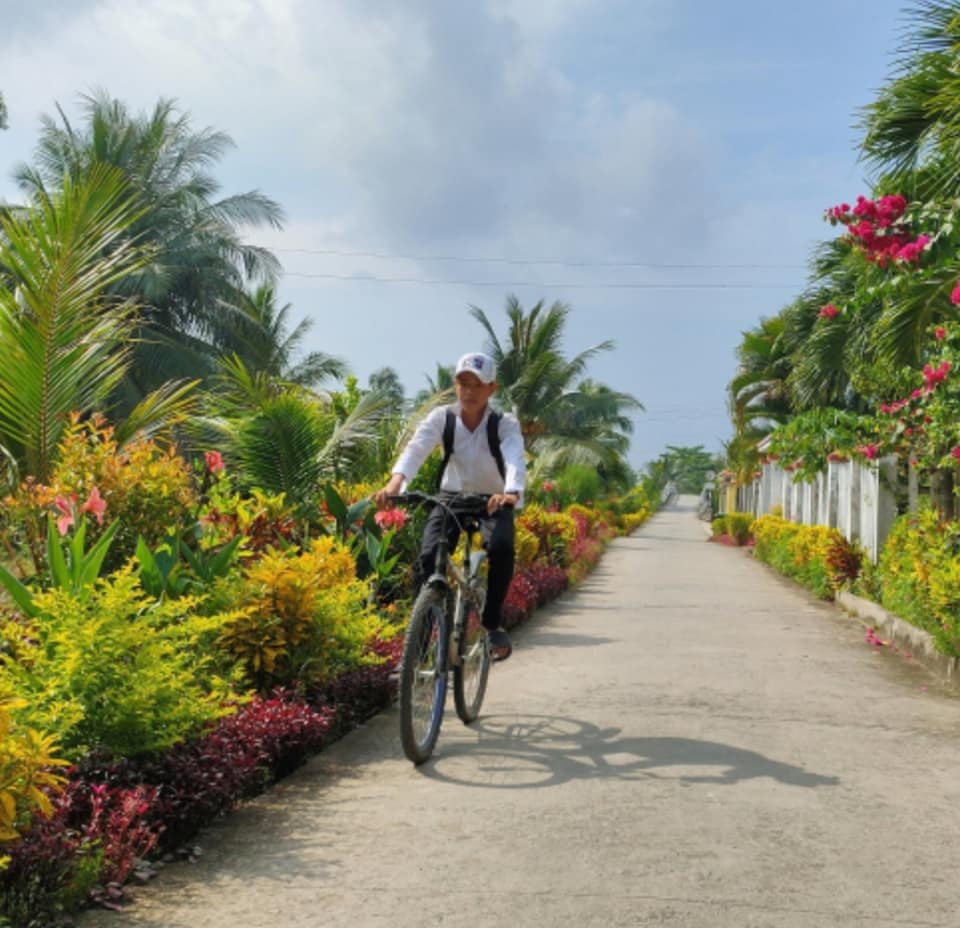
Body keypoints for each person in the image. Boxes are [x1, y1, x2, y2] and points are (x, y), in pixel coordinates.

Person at [375, 351, 526, 661]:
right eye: (462, 383)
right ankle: (419, 643)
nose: (468, 392)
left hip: (494, 501)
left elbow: (514, 459)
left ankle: (492, 622)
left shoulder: (503, 424)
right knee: (428, 557)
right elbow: (416, 450)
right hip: (452, 499)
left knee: (500, 548)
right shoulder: (442, 418)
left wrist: (511, 493)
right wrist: (395, 484)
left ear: (491, 388)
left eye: (476, 385)